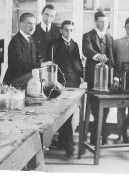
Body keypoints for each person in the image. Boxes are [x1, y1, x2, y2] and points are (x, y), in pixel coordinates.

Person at [82, 11, 115, 145]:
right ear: (95, 22)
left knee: (106, 108)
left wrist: (115, 77)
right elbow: (86, 49)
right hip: (93, 77)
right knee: (95, 108)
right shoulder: (88, 36)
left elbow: (113, 59)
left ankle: (101, 134)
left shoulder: (110, 38)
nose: (104, 24)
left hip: (107, 78)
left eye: (106, 22)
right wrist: (97, 56)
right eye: (101, 21)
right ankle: (97, 136)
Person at [53, 20, 84, 158]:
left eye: (71, 30)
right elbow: (53, 64)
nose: (68, 32)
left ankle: (62, 142)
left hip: (74, 82)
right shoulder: (55, 44)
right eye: (66, 30)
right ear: (61, 30)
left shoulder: (75, 44)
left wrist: (81, 76)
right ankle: (69, 146)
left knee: (70, 114)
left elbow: (77, 62)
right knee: (65, 114)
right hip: (60, 82)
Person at [3, 13, 51, 84]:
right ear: (21, 25)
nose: (32, 26)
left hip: (29, 79)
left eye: (34, 24)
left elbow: (35, 59)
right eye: (29, 23)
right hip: (15, 81)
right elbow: (18, 63)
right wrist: (40, 64)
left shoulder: (31, 39)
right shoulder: (15, 41)